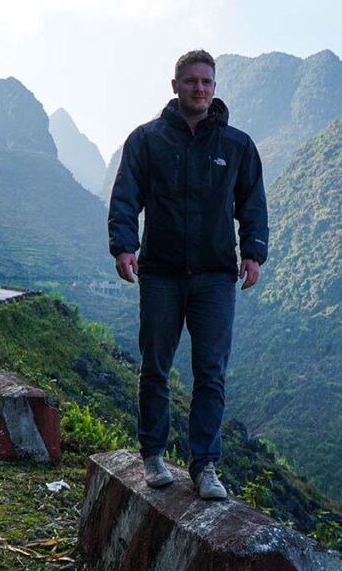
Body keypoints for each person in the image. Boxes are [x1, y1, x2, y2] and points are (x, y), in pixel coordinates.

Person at [108, 49, 268, 500]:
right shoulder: (147, 140)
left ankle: (204, 465)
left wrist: (253, 254)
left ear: (214, 88)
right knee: (155, 367)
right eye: (191, 80)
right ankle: (154, 455)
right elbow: (126, 196)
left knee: (210, 373)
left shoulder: (236, 145)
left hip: (216, 277)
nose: (200, 88)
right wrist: (124, 245)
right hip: (160, 273)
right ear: (174, 85)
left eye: (207, 82)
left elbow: (252, 205)